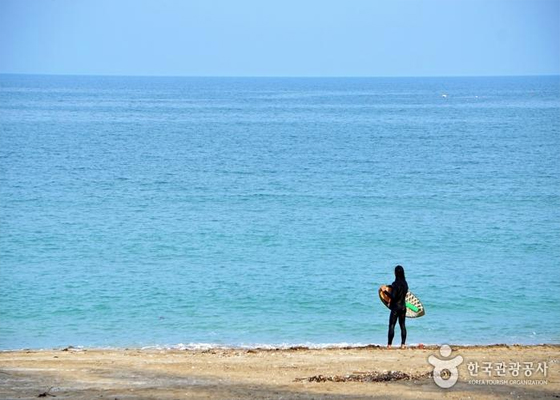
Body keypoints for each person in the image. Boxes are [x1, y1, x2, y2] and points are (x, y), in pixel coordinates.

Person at [386, 265, 408, 349]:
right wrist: (391, 287)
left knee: (392, 325)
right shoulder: (405, 283)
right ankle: (403, 344)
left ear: (395, 273)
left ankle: (389, 345)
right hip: (403, 307)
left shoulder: (395, 284)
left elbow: (393, 297)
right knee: (402, 325)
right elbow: (403, 293)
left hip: (395, 308)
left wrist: (385, 292)